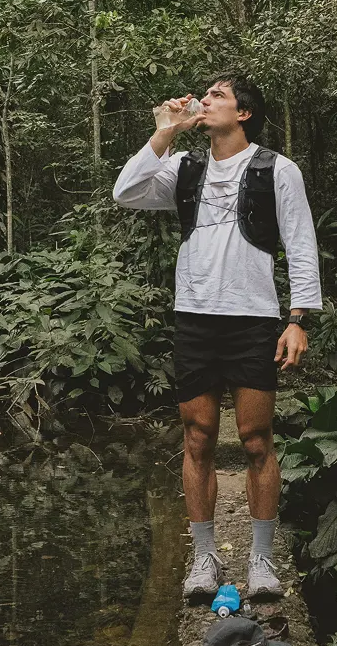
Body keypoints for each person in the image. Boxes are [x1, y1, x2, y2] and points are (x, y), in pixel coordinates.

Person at [112, 73, 322, 598]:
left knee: (255, 440)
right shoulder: (185, 167)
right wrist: (164, 132)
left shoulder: (277, 169)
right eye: (203, 97)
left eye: (216, 97)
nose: (203, 102)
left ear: (243, 113)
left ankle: (262, 561)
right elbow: (127, 192)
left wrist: (298, 319)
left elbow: (300, 243)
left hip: (252, 318)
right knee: (198, 437)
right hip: (195, 316)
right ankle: (203, 559)